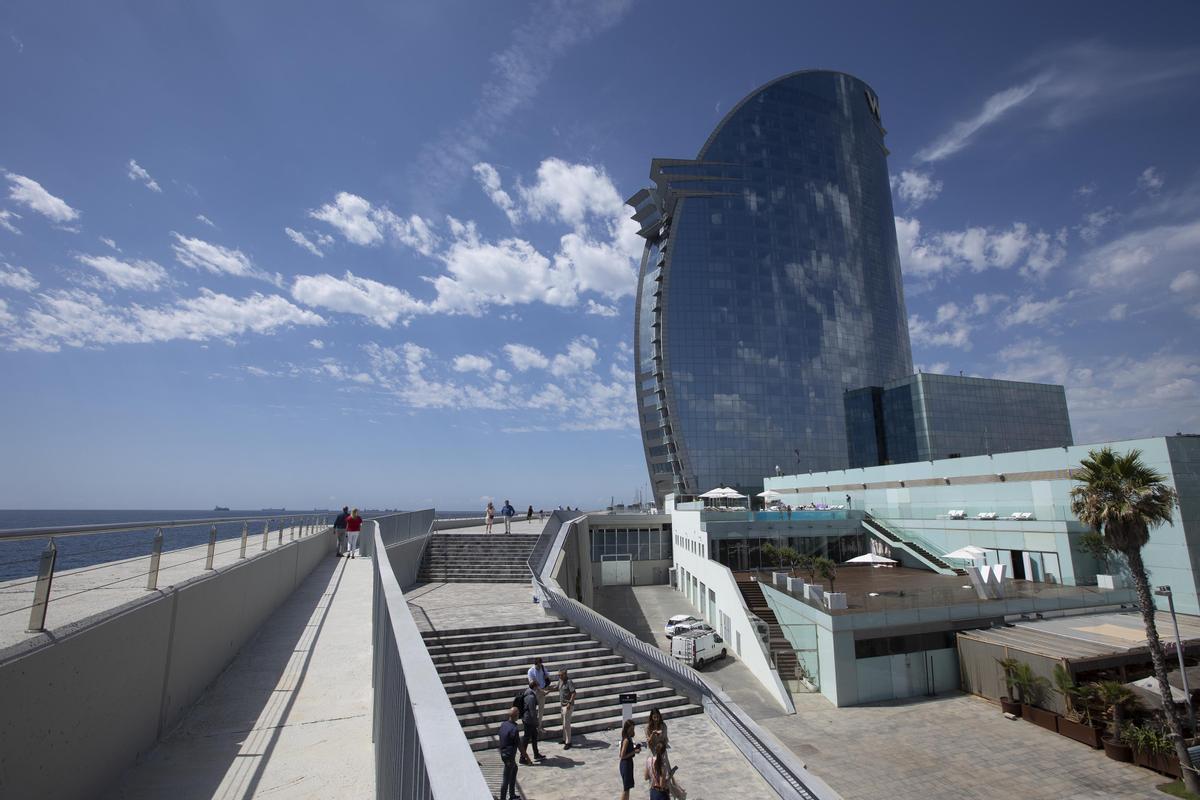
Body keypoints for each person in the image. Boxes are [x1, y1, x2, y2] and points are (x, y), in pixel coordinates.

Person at [498, 706, 521, 800]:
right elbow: (519, 744)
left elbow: (500, 735)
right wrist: (526, 757)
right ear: (515, 716)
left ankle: (512, 795)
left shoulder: (504, 724)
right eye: (518, 714)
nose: (519, 715)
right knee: (506, 778)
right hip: (509, 756)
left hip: (504, 753)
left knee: (514, 769)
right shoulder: (514, 729)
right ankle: (503, 798)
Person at [519, 680, 543, 764]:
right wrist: (536, 722)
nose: (538, 688)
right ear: (535, 687)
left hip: (528, 719)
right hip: (529, 720)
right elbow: (532, 711)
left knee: (534, 736)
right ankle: (522, 758)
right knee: (526, 739)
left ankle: (536, 754)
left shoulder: (528, 691)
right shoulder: (531, 697)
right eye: (537, 686)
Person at [618, 718, 640, 800]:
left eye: (633, 729)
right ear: (627, 729)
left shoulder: (628, 738)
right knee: (626, 789)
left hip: (629, 763)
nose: (632, 730)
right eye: (631, 729)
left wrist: (634, 749)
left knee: (628, 788)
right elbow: (622, 755)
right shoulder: (626, 740)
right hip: (626, 764)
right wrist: (634, 752)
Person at [526, 656, 552, 726]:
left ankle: (539, 726)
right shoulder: (531, 671)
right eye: (539, 665)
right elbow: (533, 684)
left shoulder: (542, 667)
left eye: (541, 665)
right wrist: (542, 691)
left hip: (543, 690)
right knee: (533, 710)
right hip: (535, 692)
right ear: (535, 664)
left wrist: (546, 677)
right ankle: (533, 726)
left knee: (541, 710)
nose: (540, 667)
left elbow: (547, 675)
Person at [558, 669, 576, 748]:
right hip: (562, 705)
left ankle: (568, 742)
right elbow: (556, 687)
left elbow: (574, 693)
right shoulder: (560, 681)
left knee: (566, 724)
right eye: (559, 675)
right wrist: (547, 689)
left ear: (565, 674)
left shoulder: (569, 682)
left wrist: (570, 702)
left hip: (568, 706)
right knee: (563, 723)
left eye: (561, 675)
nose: (560, 677)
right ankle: (564, 738)